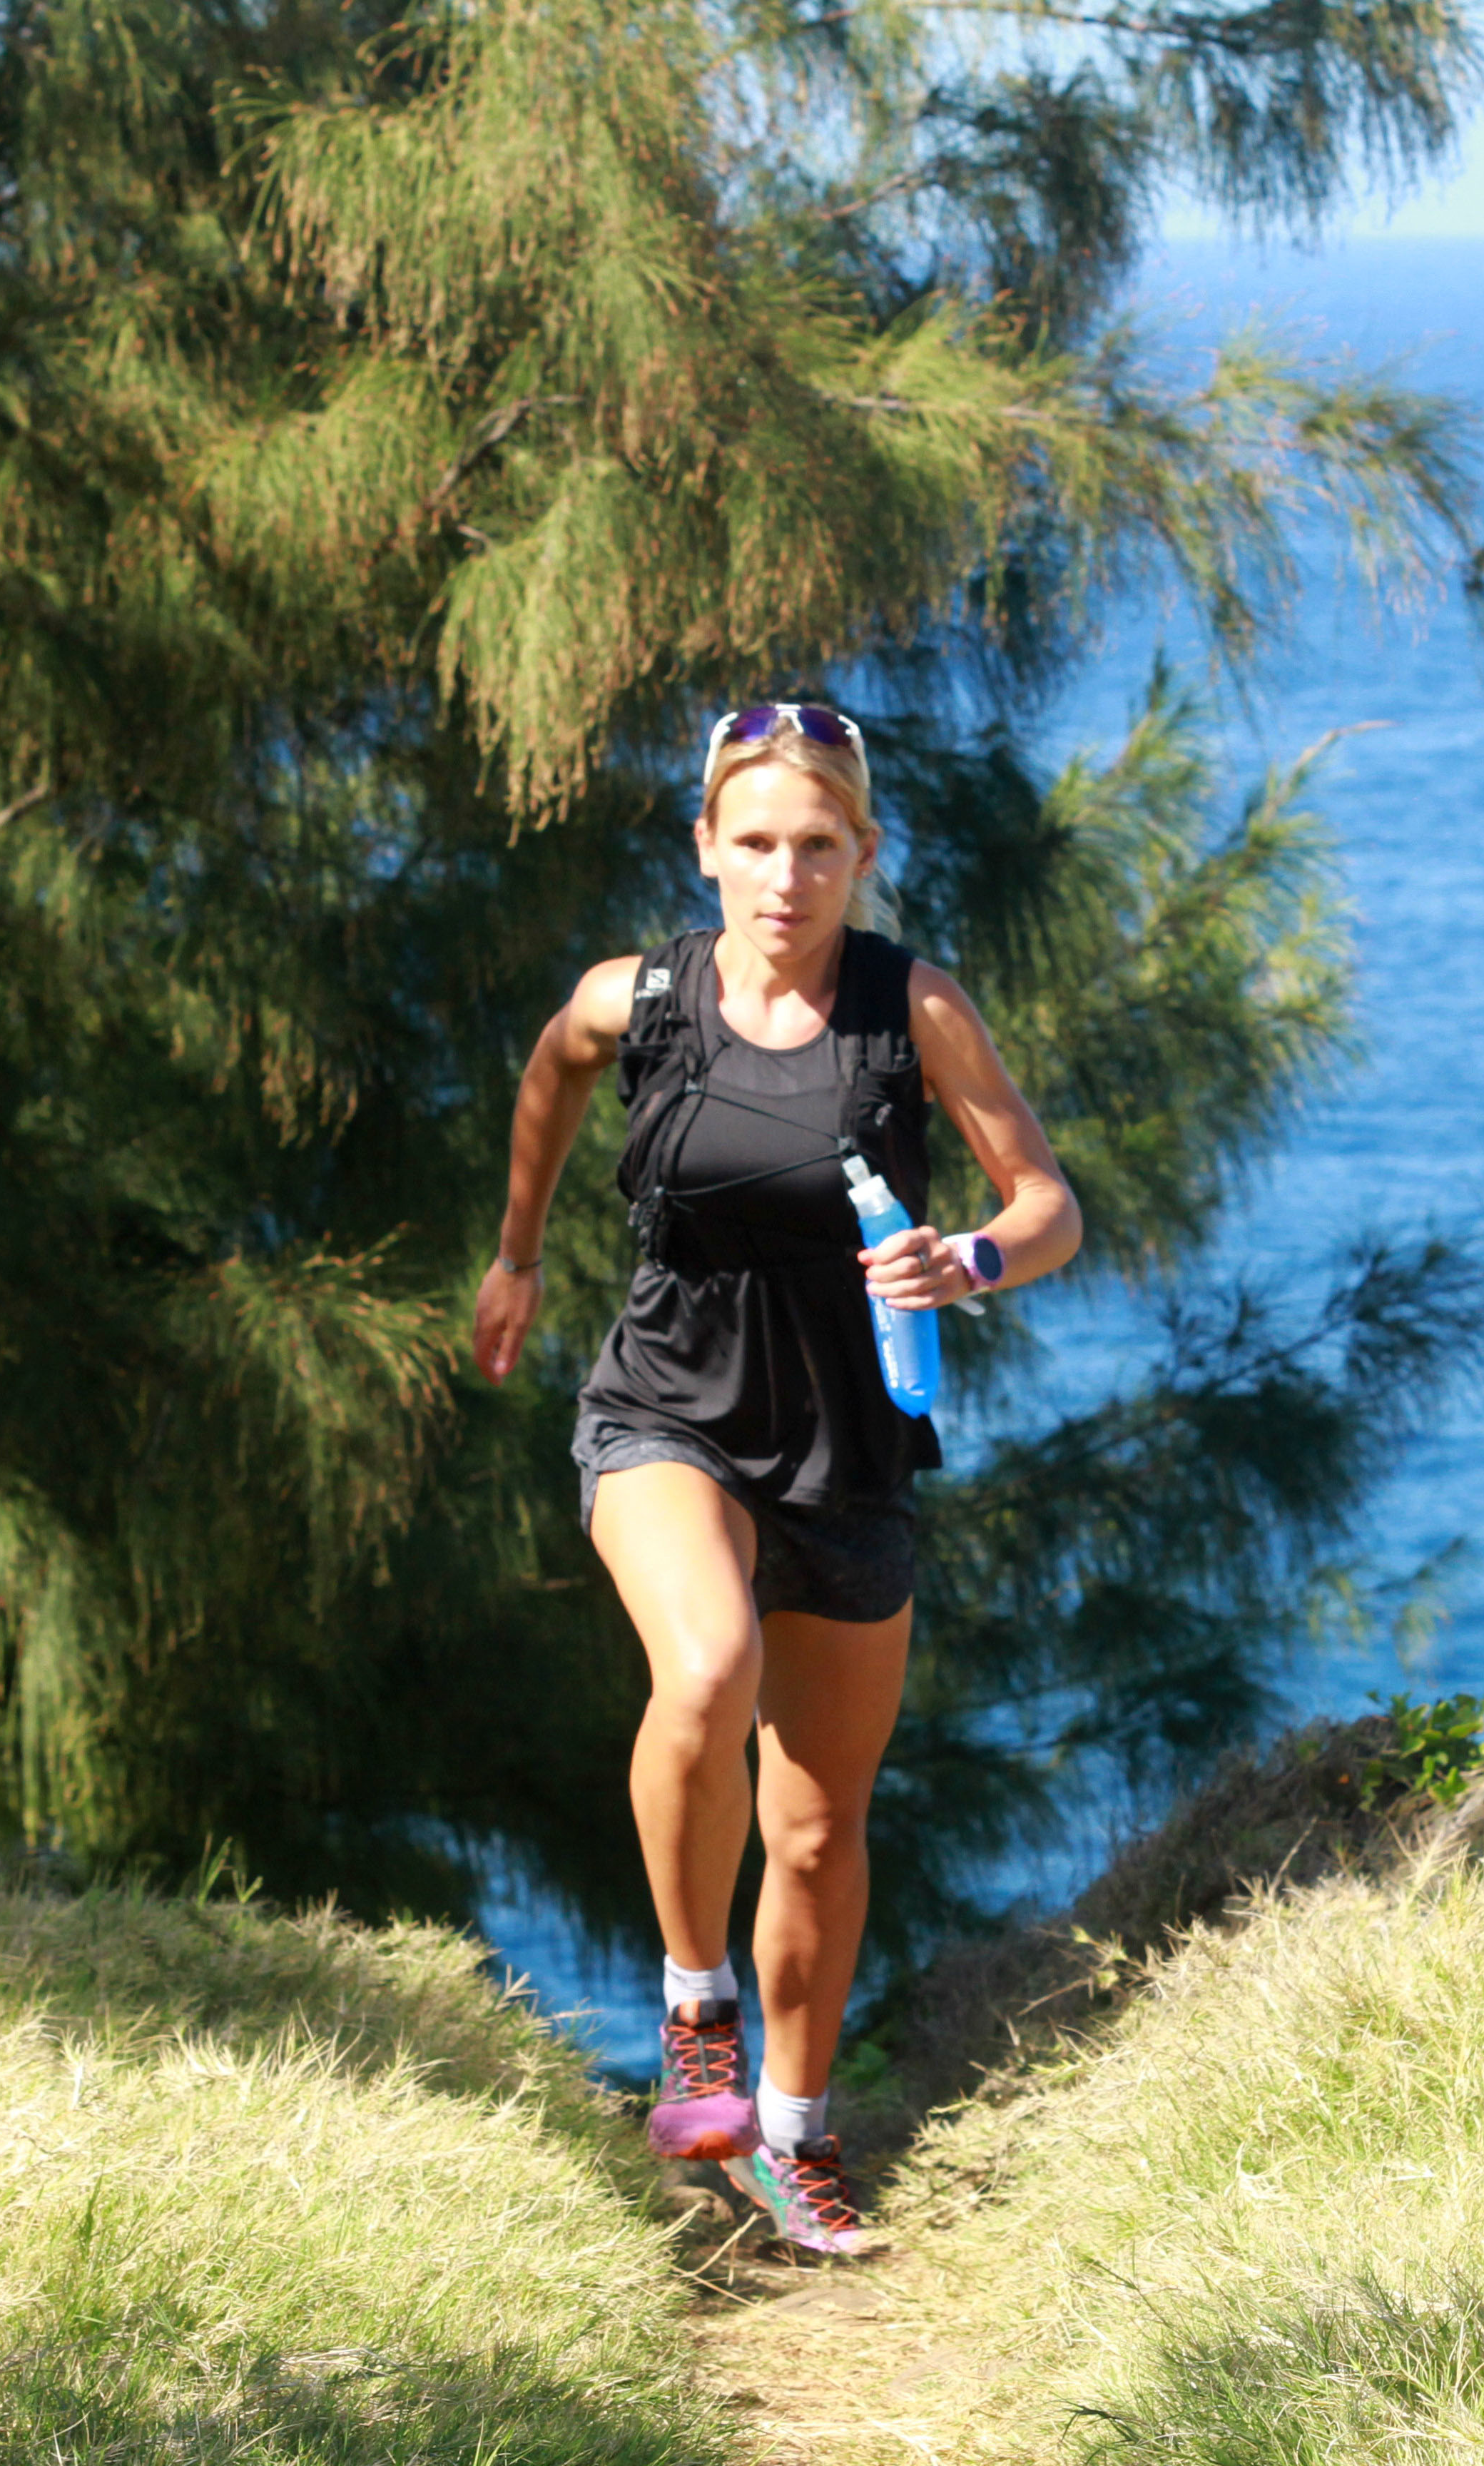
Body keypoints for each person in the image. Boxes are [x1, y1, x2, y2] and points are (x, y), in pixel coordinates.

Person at [469, 702, 1080, 2256]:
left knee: (816, 1828)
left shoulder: (910, 1008)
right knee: (708, 1663)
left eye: (818, 846)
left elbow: (1046, 1201)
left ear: (863, 854)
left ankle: (795, 2142)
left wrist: (973, 1258)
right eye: (755, 843)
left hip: (851, 1448)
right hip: (664, 1410)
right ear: (706, 848)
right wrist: (518, 1254)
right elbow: (551, 1074)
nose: (785, 877)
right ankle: (697, 2015)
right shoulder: (638, 999)